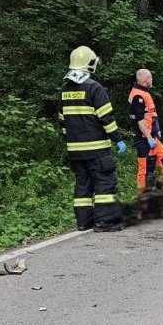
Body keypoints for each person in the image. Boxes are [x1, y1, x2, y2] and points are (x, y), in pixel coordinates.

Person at [57, 46, 126, 232]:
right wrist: (118, 139)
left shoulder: (63, 90)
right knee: (104, 183)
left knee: (83, 185)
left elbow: (62, 122)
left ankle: (83, 222)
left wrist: (71, 141)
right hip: (97, 149)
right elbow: (106, 117)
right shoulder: (94, 88)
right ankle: (105, 222)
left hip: (75, 151)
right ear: (90, 63)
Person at [128, 69, 163, 212]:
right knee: (145, 171)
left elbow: (150, 116)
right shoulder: (138, 96)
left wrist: (156, 131)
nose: (152, 79)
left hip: (152, 139)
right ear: (144, 80)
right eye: (150, 77)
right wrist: (148, 137)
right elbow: (139, 121)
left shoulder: (144, 93)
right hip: (143, 140)